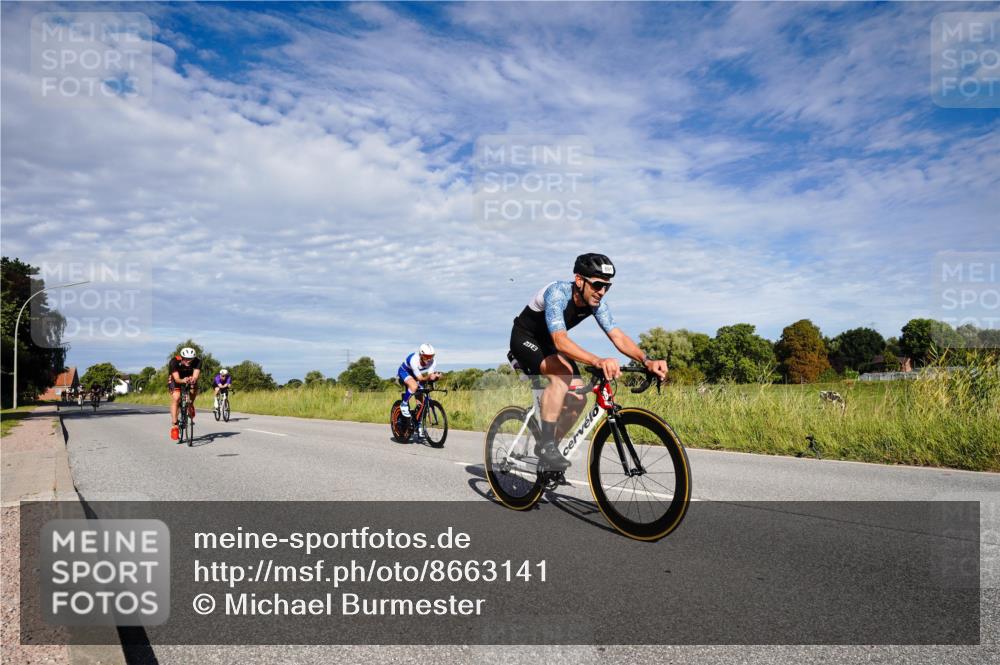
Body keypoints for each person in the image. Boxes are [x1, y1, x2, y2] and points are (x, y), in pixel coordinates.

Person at [508, 253, 668, 470]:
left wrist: (646, 360)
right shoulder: (557, 293)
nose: (601, 292)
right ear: (579, 280)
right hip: (525, 338)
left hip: (552, 345)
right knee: (561, 377)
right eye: (597, 285)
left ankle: (549, 451)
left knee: (578, 398)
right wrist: (597, 360)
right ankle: (546, 446)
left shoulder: (596, 304)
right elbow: (560, 340)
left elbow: (617, 336)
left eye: (607, 287)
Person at [396, 344, 442, 431]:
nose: (429, 359)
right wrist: (429, 377)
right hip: (404, 371)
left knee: (421, 399)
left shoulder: (433, 362)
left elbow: (429, 376)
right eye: (426, 356)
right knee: (414, 386)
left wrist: (435, 377)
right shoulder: (414, 359)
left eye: (431, 356)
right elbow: (420, 378)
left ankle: (418, 423)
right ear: (421, 355)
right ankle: (404, 404)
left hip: (415, 374)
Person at [168, 347, 202, 440]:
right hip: (176, 379)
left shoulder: (198, 361)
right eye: (186, 359)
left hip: (189, 376)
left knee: (194, 387)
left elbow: (195, 375)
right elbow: (177, 379)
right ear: (182, 357)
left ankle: (190, 404)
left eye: (191, 359)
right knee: (176, 397)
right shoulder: (174, 361)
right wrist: (183, 380)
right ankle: (174, 425)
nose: (189, 361)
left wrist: (193, 379)